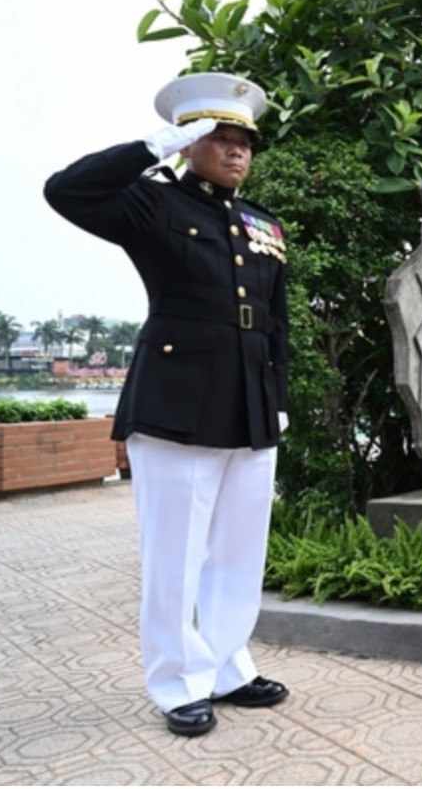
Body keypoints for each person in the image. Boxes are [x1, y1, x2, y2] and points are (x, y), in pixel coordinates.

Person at [43, 72, 290, 737]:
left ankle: (230, 666)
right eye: (219, 137)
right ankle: (178, 680)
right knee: (175, 555)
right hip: (177, 405)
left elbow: (276, 321)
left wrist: (280, 397)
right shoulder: (152, 206)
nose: (237, 151)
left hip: (251, 407)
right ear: (189, 142)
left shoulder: (264, 224)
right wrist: (153, 145)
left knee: (239, 552)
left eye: (245, 141)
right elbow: (66, 190)